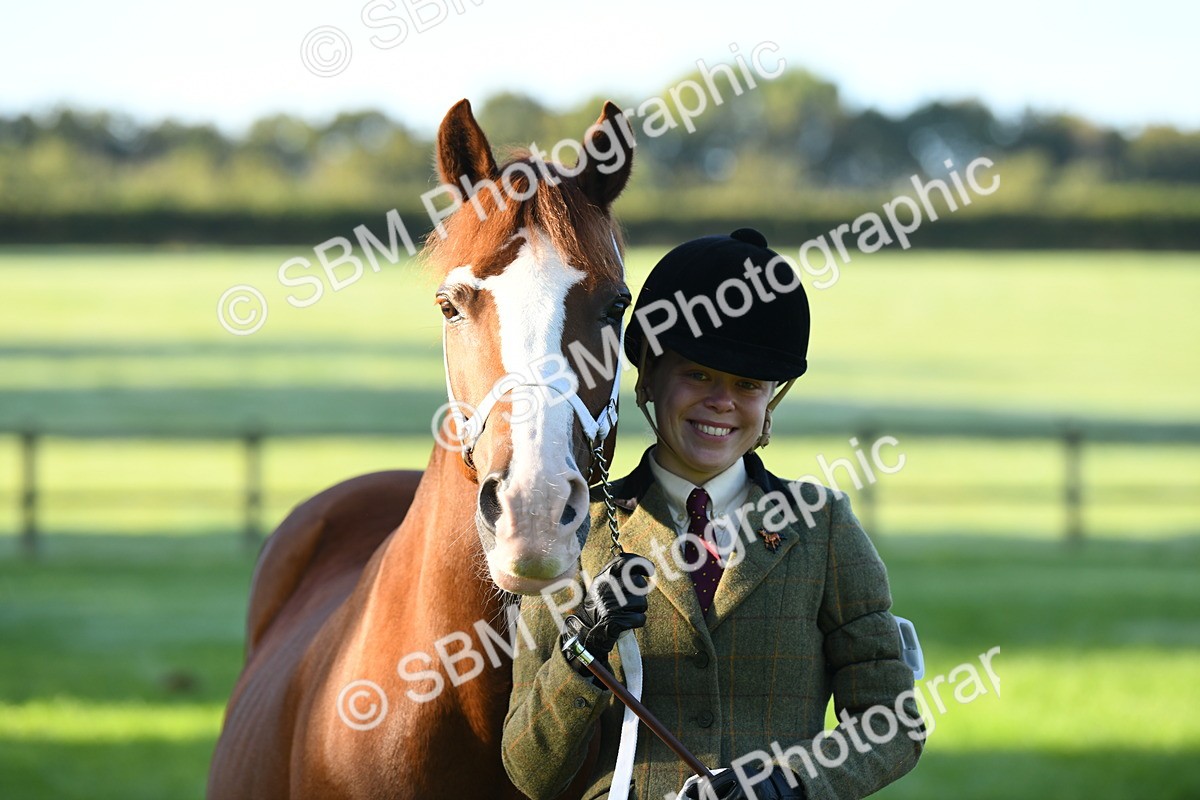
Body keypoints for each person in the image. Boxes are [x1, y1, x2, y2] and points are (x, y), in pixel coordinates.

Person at [502, 229, 923, 800]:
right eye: (698, 374)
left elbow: (891, 724)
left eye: (746, 385)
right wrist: (582, 649)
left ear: (770, 400)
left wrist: (791, 786)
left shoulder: (824, 528)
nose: (721, 402)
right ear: (648, 375)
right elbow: (529, 771)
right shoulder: (575, 530)